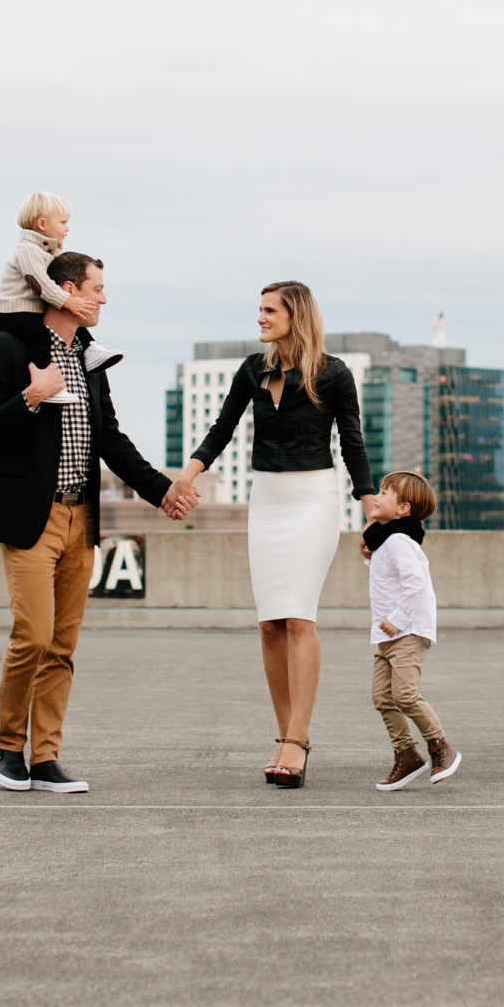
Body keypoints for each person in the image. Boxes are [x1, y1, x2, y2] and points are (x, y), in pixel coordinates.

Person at [0, 250, 194, 793]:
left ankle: (45, 758)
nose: (103, 298)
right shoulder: (8, 348)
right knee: (34, 636)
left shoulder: (91, 357)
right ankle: (6, 747)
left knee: (63, 646)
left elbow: (110, 439)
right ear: (64, 290)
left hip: (81, 517)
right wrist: (30, 397)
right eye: (96, 287)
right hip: (32, 516)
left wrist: (162, 491)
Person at [165, 281, 374, 787]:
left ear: (295, 315)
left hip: (313, 500)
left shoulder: (333, 373)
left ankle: (297, 740)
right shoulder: (252, 370)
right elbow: (221, 429)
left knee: (299, 619)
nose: (259, 318)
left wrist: (372, 513)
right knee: (269, 625)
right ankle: (285, 734)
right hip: (268, 501)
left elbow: (353, 446)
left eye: (268, 310)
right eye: (258, 310)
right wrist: (184, 479)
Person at [362, 471, 461, 790]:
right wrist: (369, 556)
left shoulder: (400, 541)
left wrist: (398, 619)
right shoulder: (388, 541)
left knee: (403, 693)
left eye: (384, 493)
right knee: (382, 697)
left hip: (406, 632)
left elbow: (415, 583)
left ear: (403, 509)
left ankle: (440, 747)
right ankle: (406, 754)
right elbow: (387, 577)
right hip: (388, 636)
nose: (376, 497)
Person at [0, 191, 122, 385]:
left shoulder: (48, 250)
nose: (67, 228)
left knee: (75, 321)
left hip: (32, 308)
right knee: (41, 336)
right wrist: (67, 301)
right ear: (42, 224)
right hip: (14, 312)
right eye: (62, 223)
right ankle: (44, 378)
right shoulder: (27, 250)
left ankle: (91, 348)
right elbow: (40, 284)